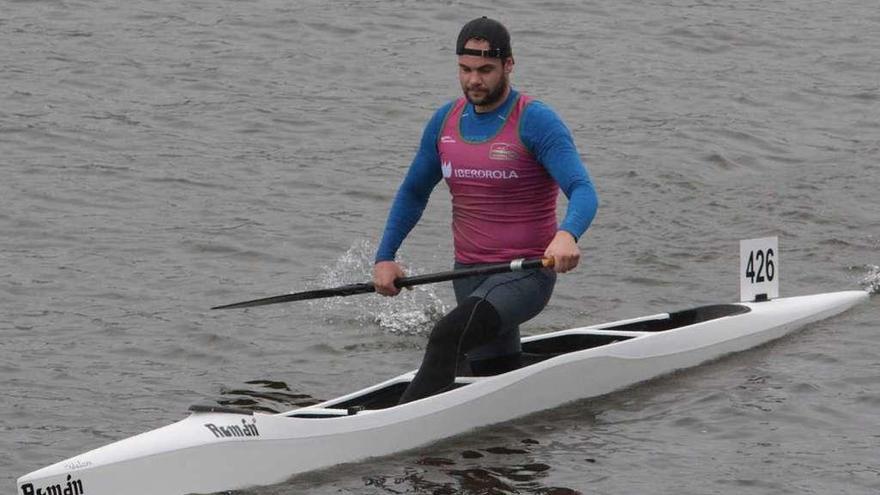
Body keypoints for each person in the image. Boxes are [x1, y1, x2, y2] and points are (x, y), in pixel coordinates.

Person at [373, 16, 599, 404]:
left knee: (448, 336)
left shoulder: (536, 120)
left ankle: (392, 433)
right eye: (465, 69)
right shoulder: (444, 121)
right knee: (494, 374)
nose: (473, 80)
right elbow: (413, 192)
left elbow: (582, 189)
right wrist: (385, 257)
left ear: (508, 65)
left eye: (485, 70)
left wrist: (567, 233)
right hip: (469, 274)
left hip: (525, 274)